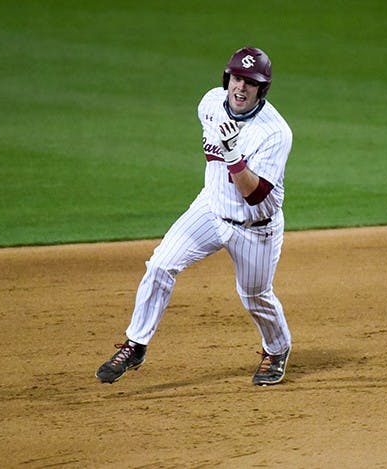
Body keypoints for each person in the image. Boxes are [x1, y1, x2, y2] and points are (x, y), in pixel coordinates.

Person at [96, 46, 293, 386]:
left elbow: (255, 194)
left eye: (250, 82)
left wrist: (234, 158)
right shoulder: (209, 104)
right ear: (226, 79)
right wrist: (226, 160)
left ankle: (277, 349)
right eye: (236, 78)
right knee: (160, 265)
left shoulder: (275, 133)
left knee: (255, 295)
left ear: (263, 89)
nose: (240, 88)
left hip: (255, 226)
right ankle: (136, 344)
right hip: (211, 209)